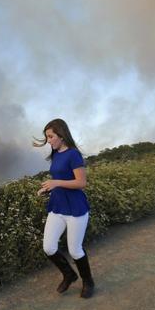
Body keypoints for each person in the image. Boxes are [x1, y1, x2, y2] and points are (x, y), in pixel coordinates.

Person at [34, 119, 95, 298]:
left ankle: (88, 281)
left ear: (61, 135)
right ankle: (69, 274)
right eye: (47, 138)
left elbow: (81, 183)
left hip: (75, 208)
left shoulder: (74, 155)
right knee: (49, 248)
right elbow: (59, 179)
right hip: (58, 206)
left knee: (75, 250)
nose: (49, 141)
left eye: (51, 137)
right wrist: (47, 189)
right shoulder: (56, 153)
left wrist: (56, 182)